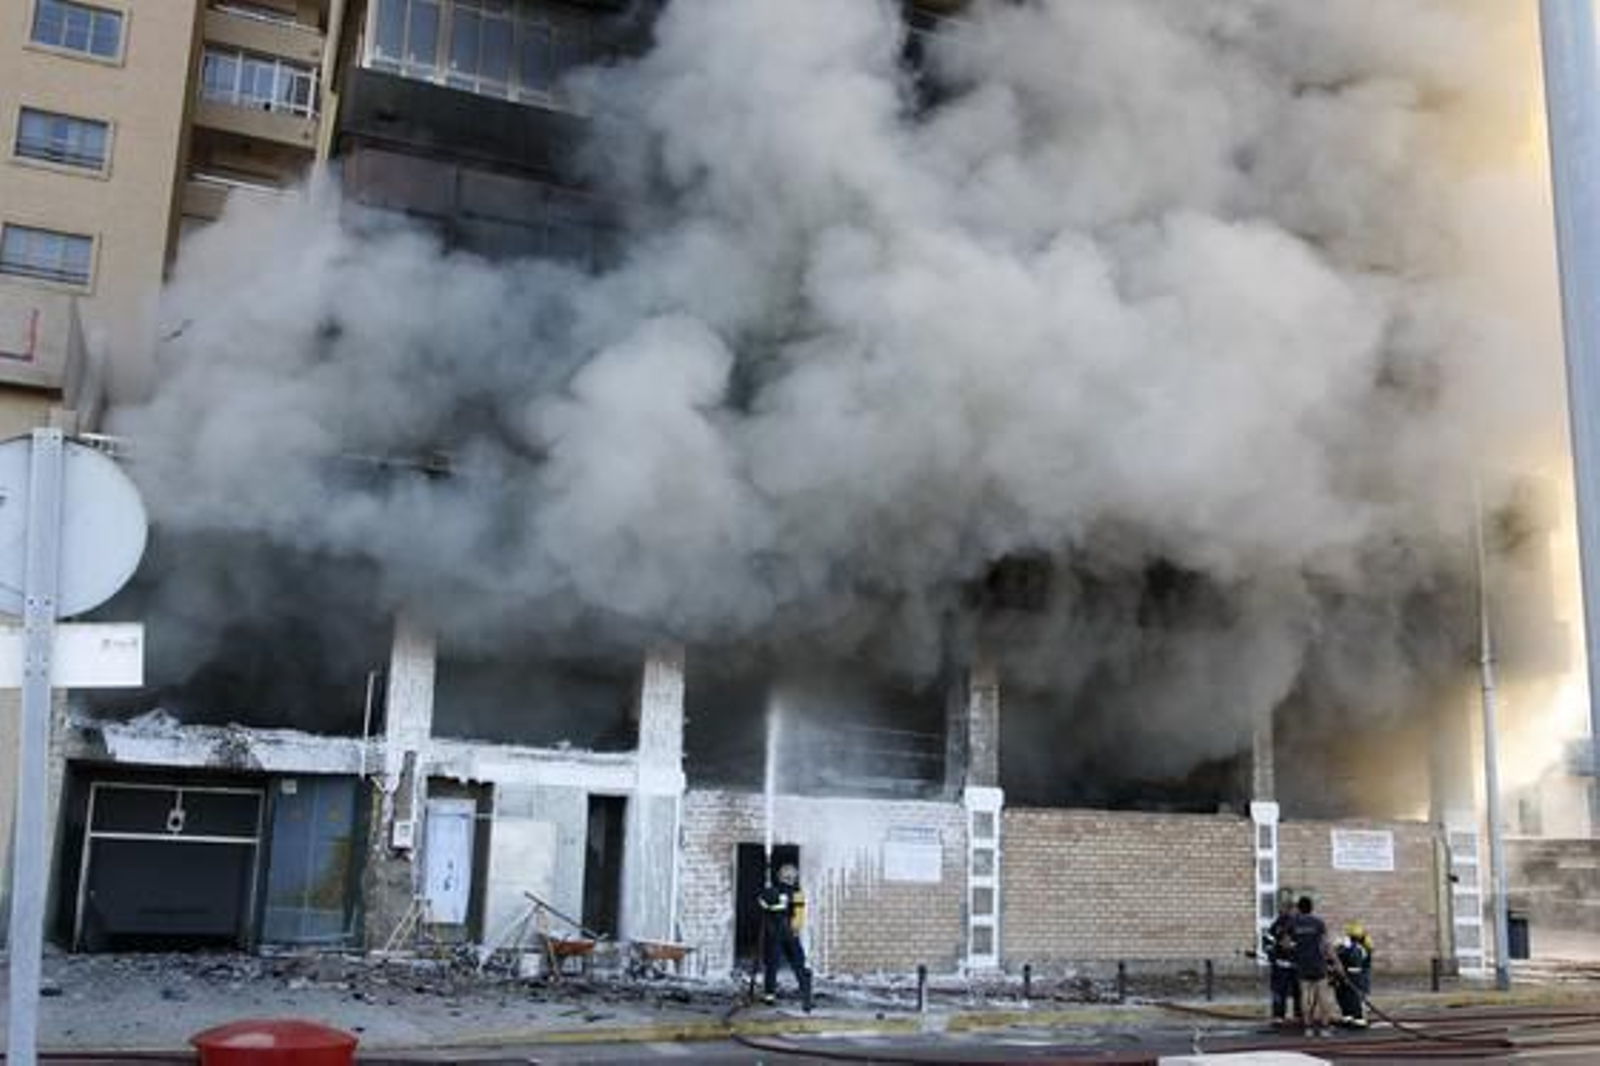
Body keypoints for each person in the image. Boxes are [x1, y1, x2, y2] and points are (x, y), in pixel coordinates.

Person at [757, 861, 813, 1011]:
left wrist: (766, 895)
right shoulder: (796, 892)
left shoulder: (773, 891)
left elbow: (762, 905)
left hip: (775, 933)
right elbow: (799, 915)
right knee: (798, 963)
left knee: (772, 965)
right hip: (788, 932)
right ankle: (806, 996)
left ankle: (770, 996)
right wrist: (795, 929)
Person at [1288, 895, 1338, 1038]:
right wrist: (1335, 962)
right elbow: (1326, 944)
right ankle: (1325, 1028)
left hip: (1302, 964)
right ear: (1311, 907)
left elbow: (1286, 943)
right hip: (1318, 964)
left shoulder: (1293, 923)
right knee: (1323, 996)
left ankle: (1308, 1028)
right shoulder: (1318, 923)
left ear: (1299, 908)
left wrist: (1295, 950)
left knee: (1305, 995)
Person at [1263, 899, 1303, 1028]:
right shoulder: (1277, 924)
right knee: (1279, 992)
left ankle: (1299, 1015)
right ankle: (1278, 1016)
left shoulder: (1300, 924)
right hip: (1280, 965)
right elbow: (1267, 941)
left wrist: (1294, 947)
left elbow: (1305, 943)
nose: (1283, 911)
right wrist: (1272, 955)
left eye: (1288, 909)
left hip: (1296, 965)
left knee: (1298, 992)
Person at [1334, 922, 1373, 1027]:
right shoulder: (1346, 945)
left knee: (1354, 997)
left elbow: (1355, 960)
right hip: (1345, 974)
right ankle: (1348, 1017)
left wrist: (1344, 948)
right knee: (1343, 996)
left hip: (1355, 975)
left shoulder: (1360, 947)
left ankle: (1359, 1019)